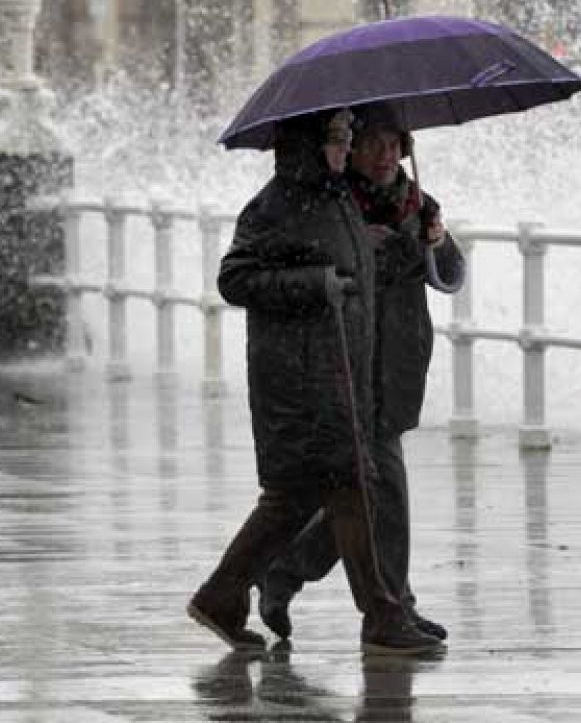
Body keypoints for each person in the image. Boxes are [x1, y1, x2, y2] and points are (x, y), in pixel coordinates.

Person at [187, 108, 441, 656]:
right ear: (309, 141)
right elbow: (235, 278)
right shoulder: (278, 204)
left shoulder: (336, 198)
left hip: (340, 371)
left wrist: (416, 239)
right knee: (320, 491)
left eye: (349, 137)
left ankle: (225, 595)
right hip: (300, 378)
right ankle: (383, 615)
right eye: (339, 137)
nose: (345, 147)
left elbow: (366, 270)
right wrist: (317, 283)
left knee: (324, 492)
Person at [255, 114, 466, 644]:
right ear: (350, 151)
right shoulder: (335, 208)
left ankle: (284, 571)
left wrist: (436, 242)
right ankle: (391, 609)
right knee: (382, 487)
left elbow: (450, 276)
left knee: (362, 497)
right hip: (348, 362)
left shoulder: (417, 203)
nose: (384, 156)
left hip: (397, 362)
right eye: (372, 145)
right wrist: (361, 252)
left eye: (393, 145)